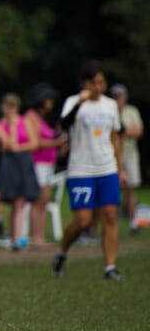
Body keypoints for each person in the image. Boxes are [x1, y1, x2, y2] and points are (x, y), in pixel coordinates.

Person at [53, 61, 127, 280]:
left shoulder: (110, 105)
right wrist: (79, 104)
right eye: (94, 83)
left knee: (110, 216)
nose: (98, 87)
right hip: (81, 168)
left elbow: (115, 137)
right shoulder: (73, 102)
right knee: (83, 221)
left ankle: (109, 267)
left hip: (107, 167)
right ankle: (62, 252)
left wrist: (120, 169)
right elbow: (64, 125)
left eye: (101, 82)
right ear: (85, 83)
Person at [0, 93, 40, 250]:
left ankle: (17, 238)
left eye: (13, 106)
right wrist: (12, 127)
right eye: (8, 106)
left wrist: (19, 147)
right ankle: (14, 236)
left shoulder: (25, 121)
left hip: (23, 162)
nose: (11, 110)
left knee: (20, 201)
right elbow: (9, 144)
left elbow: (34, 143)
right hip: (9, 163)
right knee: (14, 201)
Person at [24, 83, 66, 247]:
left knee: (44, 200)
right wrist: (56, 142)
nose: (51, 102)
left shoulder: (42, 119)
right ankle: (35, 237)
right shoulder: (31, 117)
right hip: (38, 163)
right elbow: (35, 141)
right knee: (38, 200)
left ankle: (40, 236)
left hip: (47, 164)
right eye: (48, 99)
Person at [110, 84, 144, 235]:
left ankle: (133, 223)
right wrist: (126, 133)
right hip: (112, 158)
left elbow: (138, 131)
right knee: (112, 192)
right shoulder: (109, 112)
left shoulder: (131, 111)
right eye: (115, 97)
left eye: (120, 96)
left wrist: (123, 133)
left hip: (129, 156)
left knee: (130, 190)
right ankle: (111, 224)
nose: (118, 100)